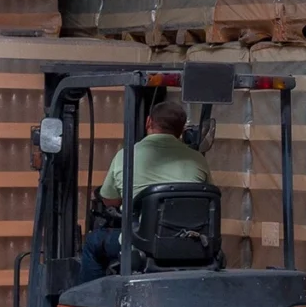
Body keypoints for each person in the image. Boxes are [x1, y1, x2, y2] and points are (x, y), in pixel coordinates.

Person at [78, 98, 210, 280]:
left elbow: (109, 199)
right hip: (189, 244)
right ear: (181, 130)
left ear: (148, 122)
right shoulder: (198, 160)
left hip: (140, 245)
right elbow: (207, 197)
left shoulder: (126, 156)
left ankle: (90, 301)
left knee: (93, 244)